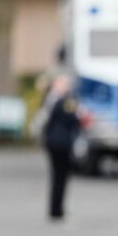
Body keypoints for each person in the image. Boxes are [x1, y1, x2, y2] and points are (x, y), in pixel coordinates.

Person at [41, 74, 81, 221]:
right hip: (62, 143)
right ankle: (57, 211)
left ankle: (55, 210)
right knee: (60, 178)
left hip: (52, 142)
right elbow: (73, 119)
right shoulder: (64, 101)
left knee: (57, 178)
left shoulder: (50, 99)